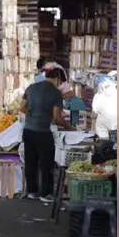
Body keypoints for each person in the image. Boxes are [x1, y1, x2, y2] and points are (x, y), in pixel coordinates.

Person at [20, 67, 74, 202]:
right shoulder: (55, 93)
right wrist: (69, 127)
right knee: (46, 164)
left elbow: (21, 107)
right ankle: (46, 194)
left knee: (30, 162)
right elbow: (57, 118)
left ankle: (32, 191)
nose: (60, 85)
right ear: (56, 79)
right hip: (43, 132)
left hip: (28, 130)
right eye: (60, 82)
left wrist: (33, 116)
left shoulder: (30, 88)